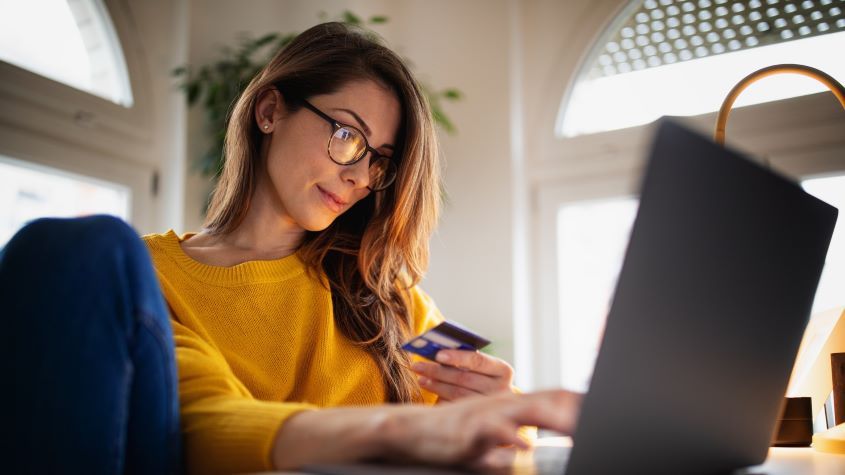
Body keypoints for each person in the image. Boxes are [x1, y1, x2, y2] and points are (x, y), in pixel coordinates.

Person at [2, 21, 580, 475]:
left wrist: (495, 411)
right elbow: (203, 424)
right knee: (77, 248)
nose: (359, 176)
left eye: (379, 159)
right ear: (271, 110)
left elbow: (491, 444)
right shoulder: (144, 274)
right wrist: (395, 432)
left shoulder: (386, 294)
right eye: (347, 135)